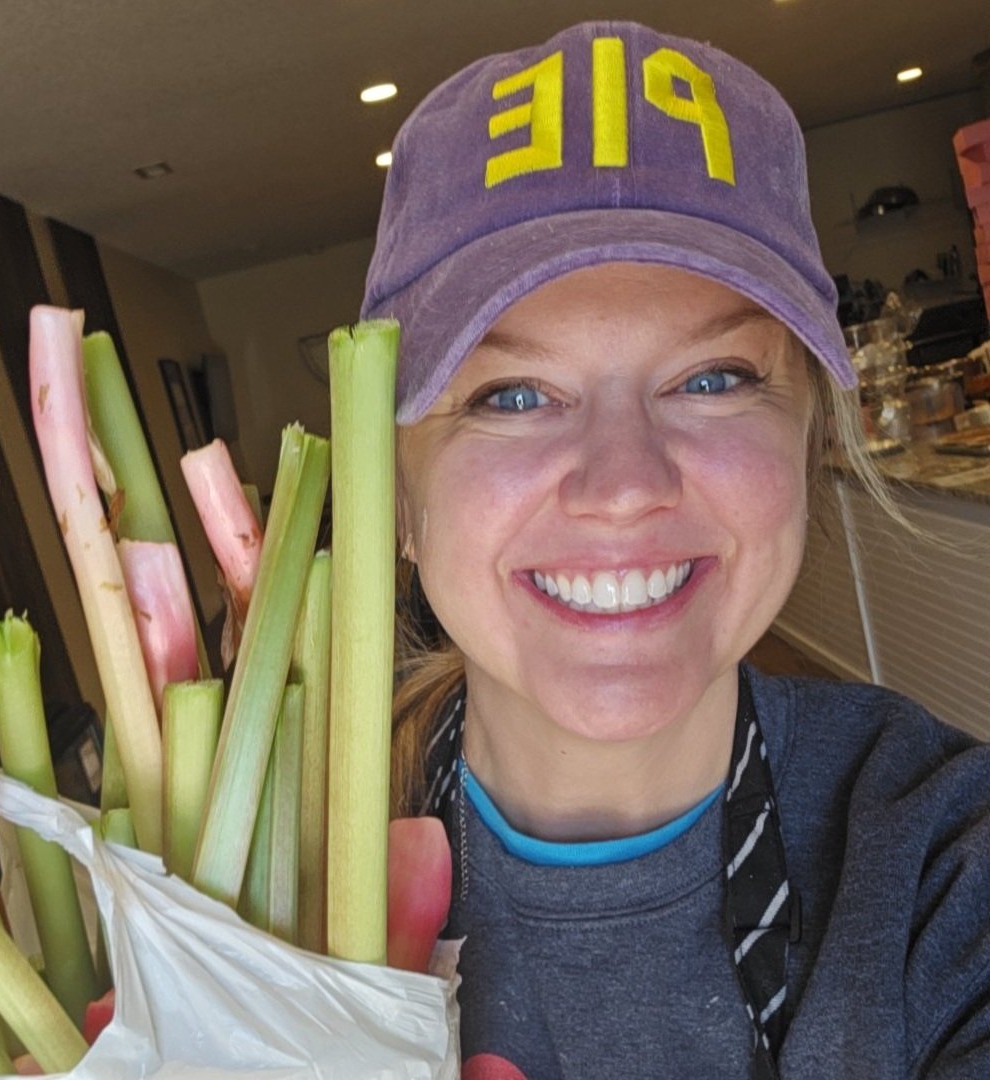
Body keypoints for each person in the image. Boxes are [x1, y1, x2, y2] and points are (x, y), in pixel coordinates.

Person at [361, 20, 990, 1080]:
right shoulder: (246, 879)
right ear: (402, 504)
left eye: (714, 379)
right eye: (510, 394)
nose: (624, 486)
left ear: (808, 441)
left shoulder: (940, 863)